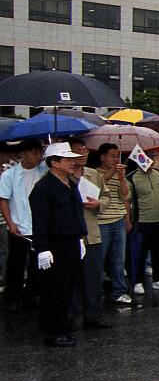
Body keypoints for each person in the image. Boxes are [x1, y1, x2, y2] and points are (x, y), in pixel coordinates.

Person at [29, 142, 88, 347]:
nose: (73, 163)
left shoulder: (70, 184)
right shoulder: (43, 188)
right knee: (54, 289)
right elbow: (40, 220)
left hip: (71, 241)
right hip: (54, 244)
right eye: (68, 159)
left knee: (68, 286)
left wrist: (80, 237)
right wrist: (42, 248)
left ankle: (64, 325)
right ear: (54, 163)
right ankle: (52, 331)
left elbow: (76, 212)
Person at [0, 140, 47, 313]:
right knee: (16, 264)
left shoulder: (44, 172)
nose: (38, 157)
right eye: (34, 153)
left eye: (40, 153)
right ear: (24, 153)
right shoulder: (10, 175)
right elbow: (3, 200)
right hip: (18, 226)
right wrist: (10, 223)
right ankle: (12, 297)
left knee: (37, 265)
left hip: (39, 226)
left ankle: (31, 296)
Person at [69, 140, 110, 330]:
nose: (83, 154)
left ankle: (93, 315)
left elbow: (106, 196)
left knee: (93, 276)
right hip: (70, 235)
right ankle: (69, 316)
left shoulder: (93, 174)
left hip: (92, 232)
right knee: (71, 279)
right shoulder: (63, 176)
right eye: (78, 151)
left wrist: (99, 204)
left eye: (85, 151)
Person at [127, 146, 159, 294]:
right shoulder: (132, 177)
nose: (147, 162)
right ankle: (138, 281)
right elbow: (128, 201)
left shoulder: (157, 174)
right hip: (142, 220)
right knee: (140, 253)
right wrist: (129, 220)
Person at [93, 143, 132, 305]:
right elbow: (95, 189)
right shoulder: (94, 173)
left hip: (118, 219)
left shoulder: (120, 174)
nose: (115, 159)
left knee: (118, 259)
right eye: (112, 156)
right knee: (98, 260)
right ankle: (95, 293)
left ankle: (119, 291)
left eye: (117, 156)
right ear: (102, 157)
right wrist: (111, 172)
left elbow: (125, 197)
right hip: (101, 221)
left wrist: (122, 178)